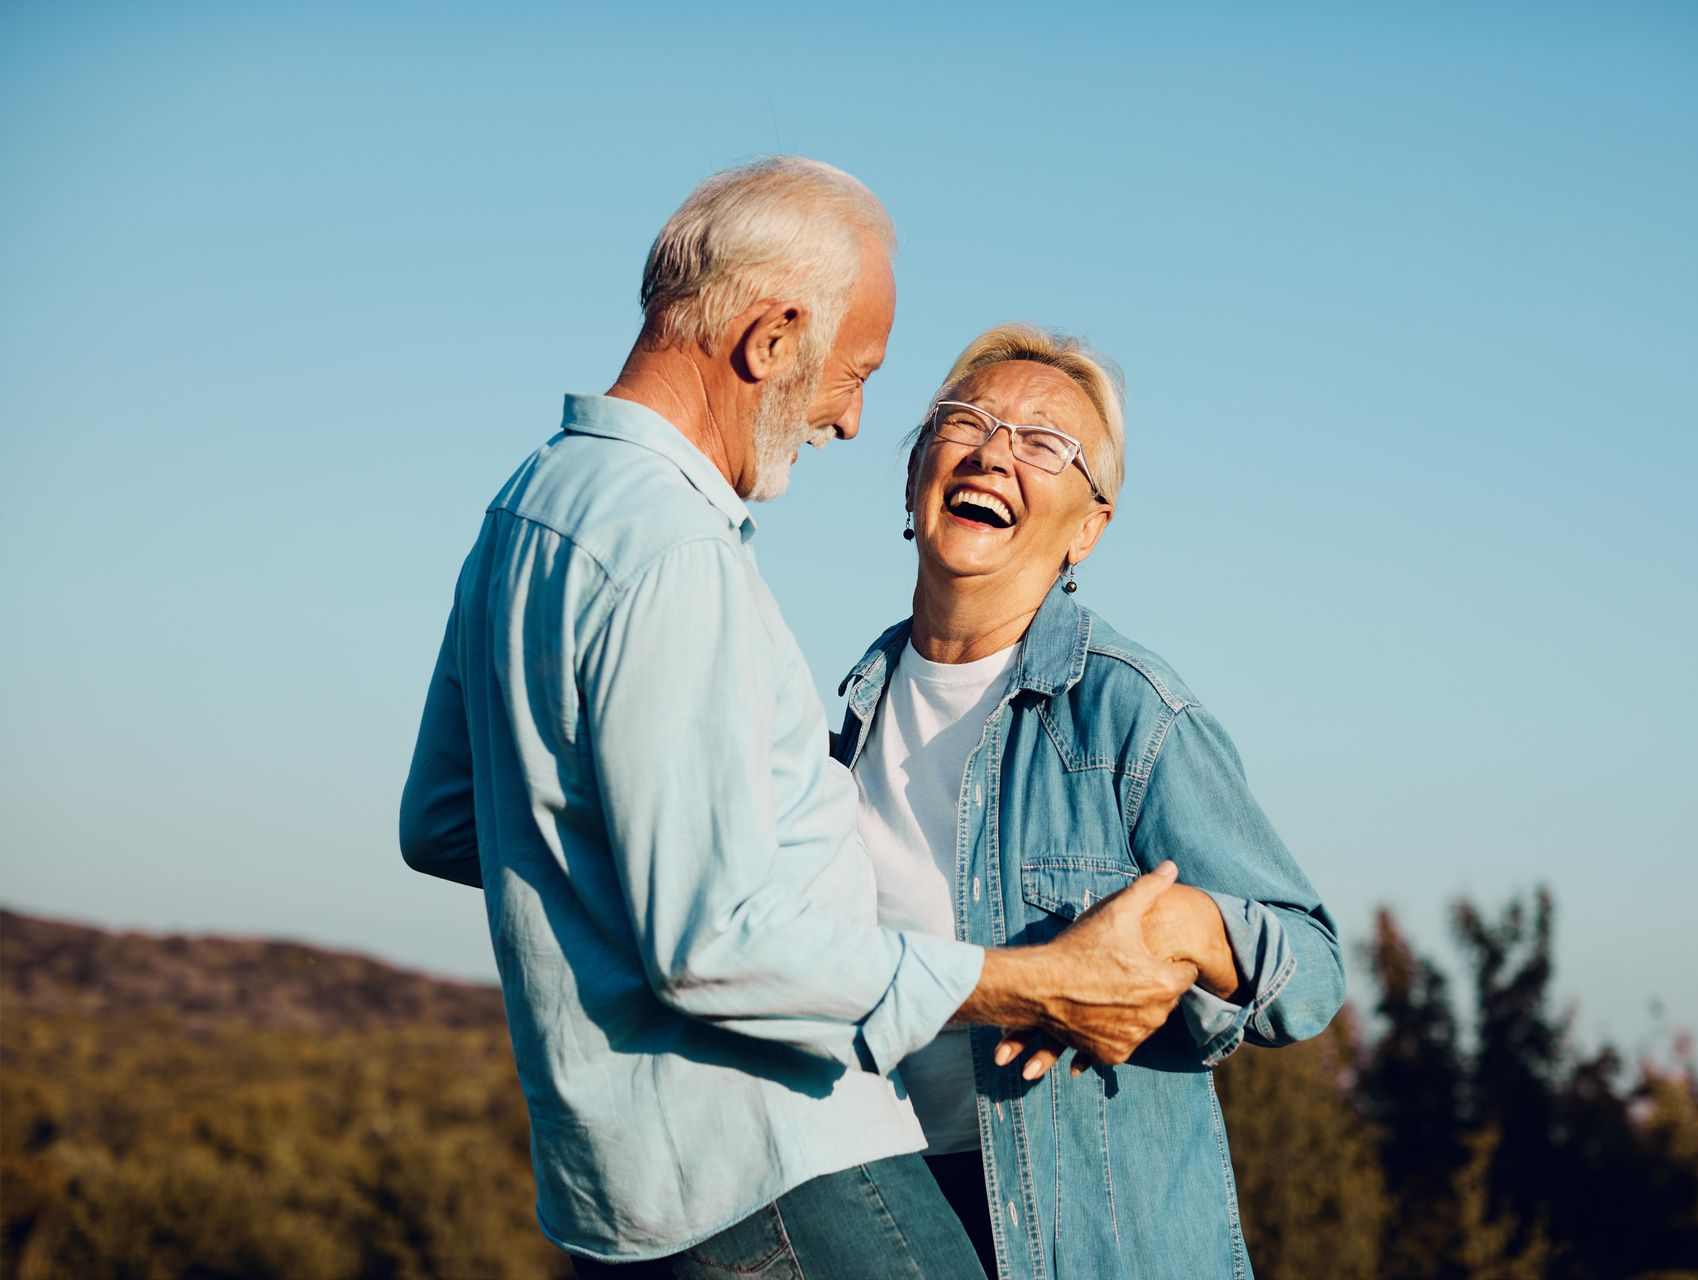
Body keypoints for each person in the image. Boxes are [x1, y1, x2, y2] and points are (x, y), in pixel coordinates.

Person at [398, 160, 1202, 1277]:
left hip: (615, 1196)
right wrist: (1035, 980)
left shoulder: (530, 505)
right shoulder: (676, 553)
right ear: (771, 338)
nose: (850, 418)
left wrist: (631, 870)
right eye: (853, 372)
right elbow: (714, 942)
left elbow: (443, 818)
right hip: (777, 1172)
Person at [832, 324, 1347, 1279]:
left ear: (1088, 527)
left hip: (1087, 1243)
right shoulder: (844, 713)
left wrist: (1191, 924)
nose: (993, 452)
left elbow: (1312, 969)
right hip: (887, 1209)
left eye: (1043, 443)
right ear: (914, 476)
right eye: (966, 422)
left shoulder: (1128, 710)